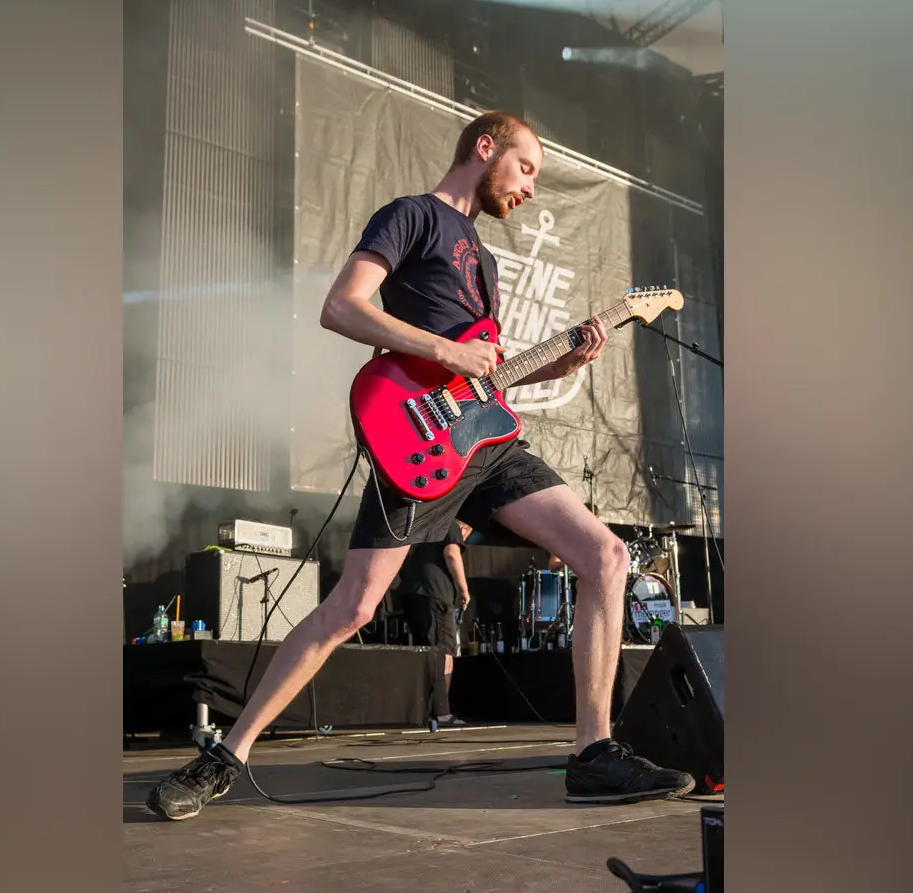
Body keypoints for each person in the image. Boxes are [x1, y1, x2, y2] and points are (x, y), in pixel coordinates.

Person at [150, 111, 692, 821]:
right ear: (485, 147)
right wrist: (445, 351)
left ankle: (593, 752)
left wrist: (563, 361)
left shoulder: (485, 261)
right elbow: (341, 307)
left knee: (607, 556)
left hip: (488, 444)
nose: (531, 187)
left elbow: (488, 375)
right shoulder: (411, 216)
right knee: (353, 607)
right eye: (526, 167)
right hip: (419, 441)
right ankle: (227, 755)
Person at [397, 518, 474, 726]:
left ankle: (425, 711)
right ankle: (441, 713)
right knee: (444, 652)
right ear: (464, 527)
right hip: (435, 595)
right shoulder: (452, 526)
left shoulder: (426, 529)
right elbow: (452, 554)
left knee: (426, 652)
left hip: (412, 594)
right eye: (467, 535)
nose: (464, 540)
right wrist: (464, 590)